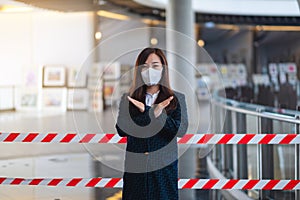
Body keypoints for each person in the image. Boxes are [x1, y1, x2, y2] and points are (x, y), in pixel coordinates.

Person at [115, 47, 188, 200]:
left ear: (163, 69)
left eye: (155, 66)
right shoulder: (128, 99)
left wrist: (158, 115)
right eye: (145, 66)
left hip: (163, 170)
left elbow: (180, 130)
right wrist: (151, 113)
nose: (150, 70)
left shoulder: (176, 99)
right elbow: (122, 129)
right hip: (136, 170)